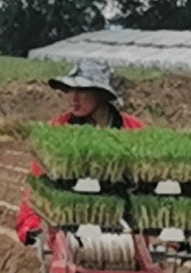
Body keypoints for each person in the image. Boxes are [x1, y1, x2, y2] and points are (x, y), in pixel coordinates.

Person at [17, 60, 144, 241]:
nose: (73, 98)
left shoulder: (134, 130)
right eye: (70, 90)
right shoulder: (57, 129)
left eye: (82, 91)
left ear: (101, 94)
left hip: (124, 227)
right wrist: (30, 224)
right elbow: (38, 184)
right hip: (70, 225)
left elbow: (151, 189)